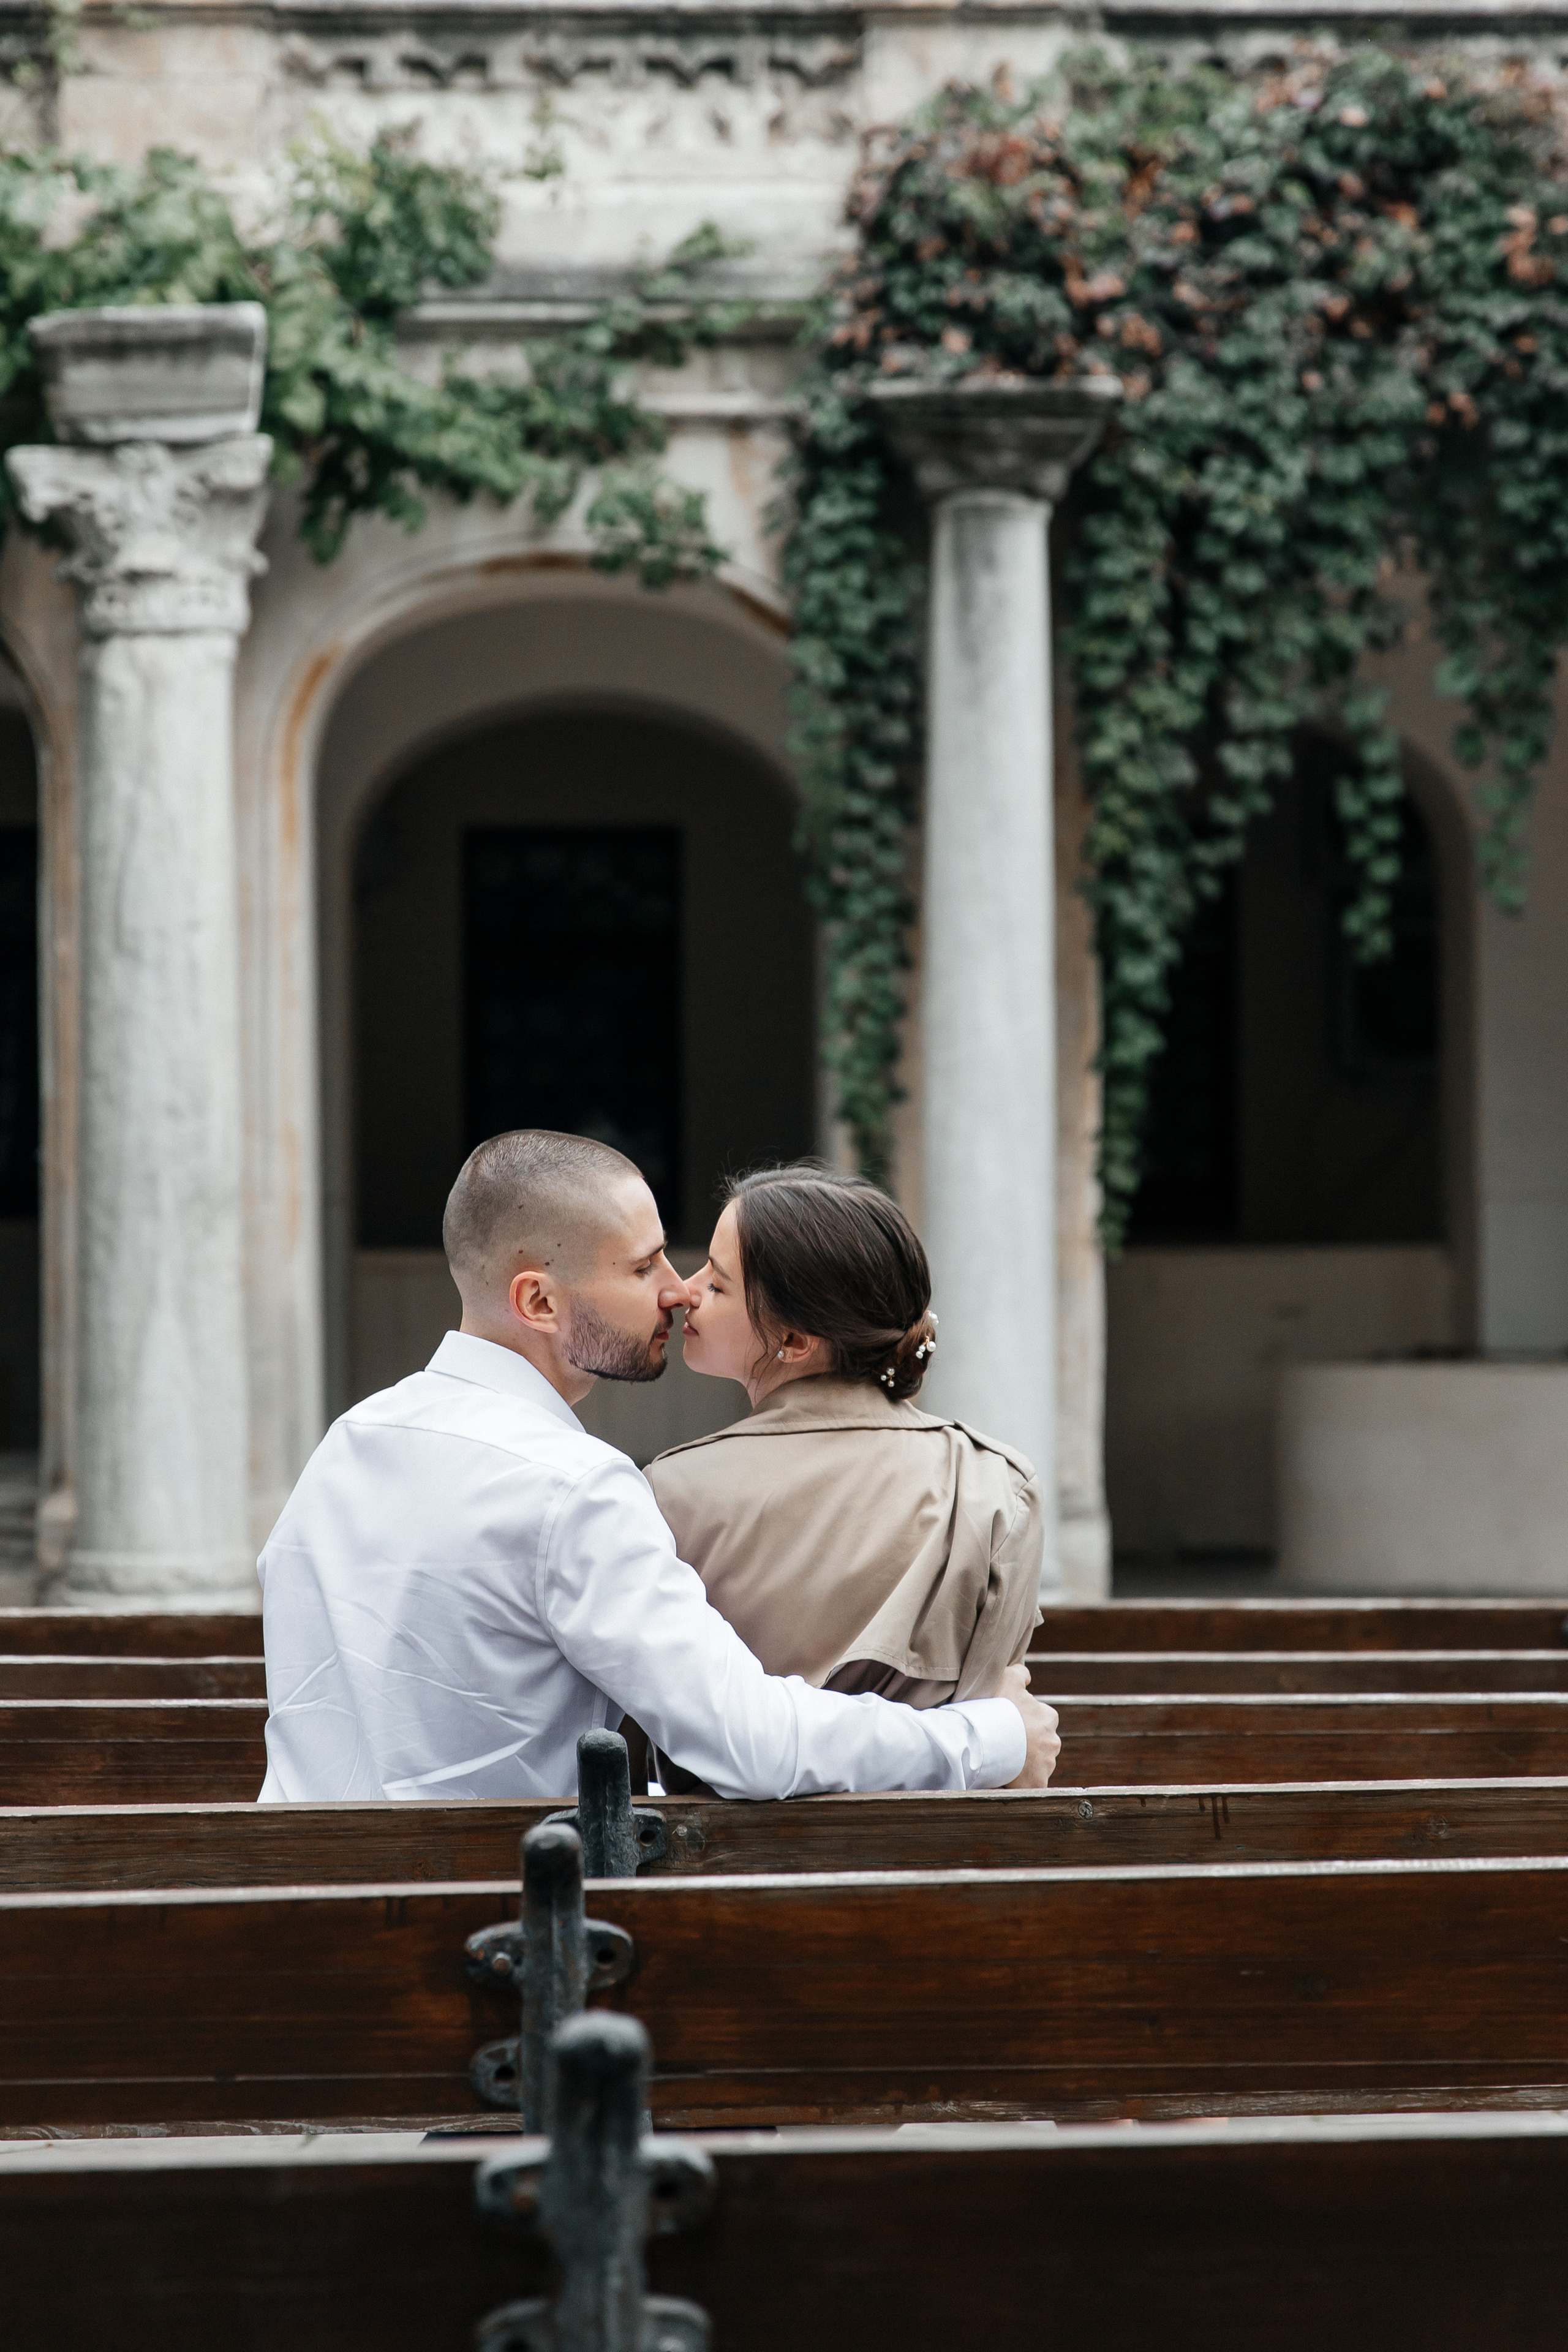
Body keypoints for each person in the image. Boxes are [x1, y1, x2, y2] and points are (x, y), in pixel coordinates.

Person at [257, 1129, 1060, 1803]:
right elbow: (751, 1745)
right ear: (539, 1302)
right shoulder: (574, 1488)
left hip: (302, 1921)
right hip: (499, 1932)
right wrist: (990, 1737)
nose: (678, 1294)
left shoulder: (346, 1446)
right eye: (644, 1268)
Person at [645, 1169, 1044, 1782]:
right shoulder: (996, 1484)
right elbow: (999, 1719)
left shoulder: (670, 1494)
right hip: (939, 1858)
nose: (683, 1292)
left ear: (794, 1339)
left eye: (717, 1284)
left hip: (720, 1865)